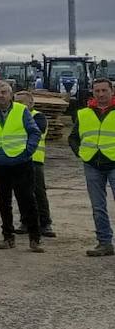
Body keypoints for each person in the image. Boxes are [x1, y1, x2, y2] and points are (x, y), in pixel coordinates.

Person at [0, 80, 42, 252]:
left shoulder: (21, 110)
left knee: (27, 200)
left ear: (11, 94)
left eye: (4, 92)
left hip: (21, 163)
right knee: (4, 202)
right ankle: (8, 237)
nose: (0, 96)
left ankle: (34, 238)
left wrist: (28, 151)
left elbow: (34, 132)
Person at [70, 75, 115, 257]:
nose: (101, 94)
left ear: (112, 91)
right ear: (92, 92)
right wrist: (81, 153)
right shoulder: (84, 113)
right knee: (98, 207)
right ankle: (104, 243)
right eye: (97, 91)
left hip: (113, 163)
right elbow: (73, 137)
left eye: (104, 90)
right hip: (92, 164)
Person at [15, 92, 56, 239]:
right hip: (18, 160)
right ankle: (26, 222)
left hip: (34, 160)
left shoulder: (38, 117)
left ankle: (45, 223)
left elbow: (37, 132)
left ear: (31, 103)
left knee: (38, 193)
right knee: (21, 193)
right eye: (17, 102)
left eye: (22, 102)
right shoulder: (12, 117)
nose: (19, 105)